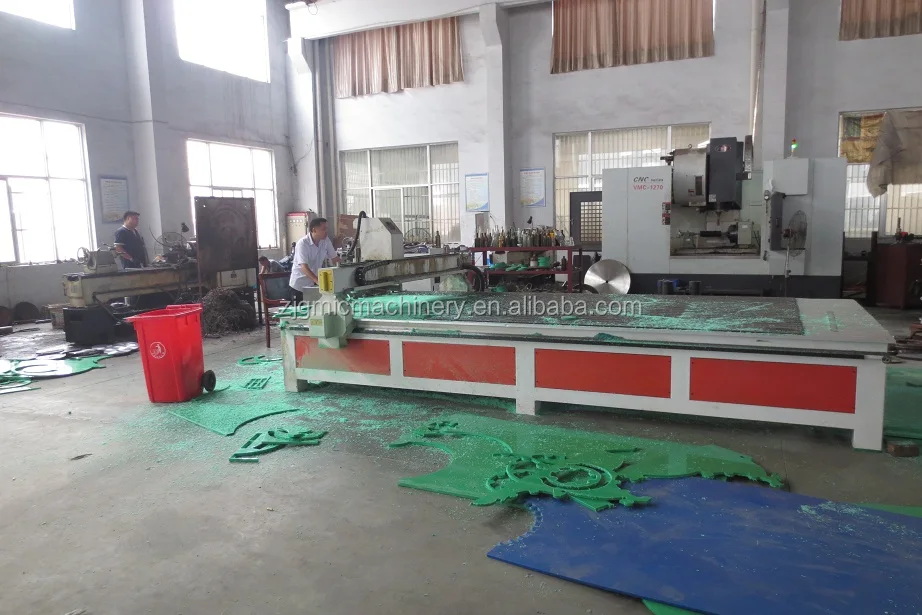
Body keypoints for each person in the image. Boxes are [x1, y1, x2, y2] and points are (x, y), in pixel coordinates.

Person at [289, 217, 340, 303]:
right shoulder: (303, 244)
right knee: (300, 311)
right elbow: (304, 267)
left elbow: (335, 259)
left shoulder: (326, 241)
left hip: (314, 285)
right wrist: (319, 282)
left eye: (327, 229)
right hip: (299, 286)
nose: (326, 231)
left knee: (315, 309)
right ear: (314, 230)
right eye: (323, 229)